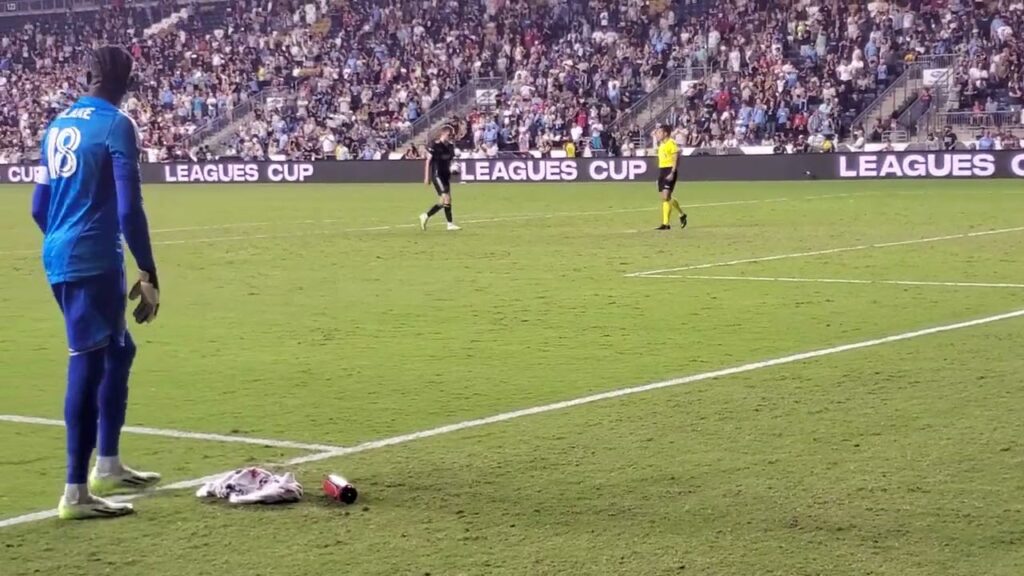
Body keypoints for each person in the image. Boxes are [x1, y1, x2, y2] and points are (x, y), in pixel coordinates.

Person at [30, 46, 162, 520]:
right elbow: (129, 209)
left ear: (86, 76)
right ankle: (75, 492)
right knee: (86, 364)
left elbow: (38, 208)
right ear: (127, 82)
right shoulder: (116, 125)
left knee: (119, 351)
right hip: (94, 260)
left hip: (63, 254)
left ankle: (107, 464)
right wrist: (149, 268)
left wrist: (65, 243)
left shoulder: (57, 125)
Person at [419, 125, 460, 231]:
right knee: (446, 197)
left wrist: (454, 169)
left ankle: (426, 216)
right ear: (443, 133)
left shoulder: (450, 147)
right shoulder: (435, 145)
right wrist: (426, 177)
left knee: (444, 201)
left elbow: (450, 161)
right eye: (449, 135)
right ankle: (449, 224)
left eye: (452, 135)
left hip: (446, 175)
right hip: (437, 175)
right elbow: (428, 161)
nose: (451, 137)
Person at [654, 125, 687, 231]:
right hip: (662, 171)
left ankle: (667, 222)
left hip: (669, 170)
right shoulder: (661, 144)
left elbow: (676, 158)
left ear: (665, 133)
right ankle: (677, 217)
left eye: (659, 133)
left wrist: (672, 172)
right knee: (665, 198)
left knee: (666, 196)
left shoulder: (671, 143)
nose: (657, 134)